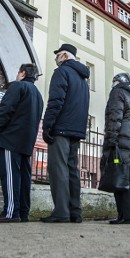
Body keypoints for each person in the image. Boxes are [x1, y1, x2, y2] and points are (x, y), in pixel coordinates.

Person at [41, 43, 90, 223]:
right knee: (71, 171)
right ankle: (74, 212)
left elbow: (56, 101)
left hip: (61, 128)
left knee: (57, 169)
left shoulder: (61, 72)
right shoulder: (83, 80)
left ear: (65, 56)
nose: (56, 58)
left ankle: (61, 212)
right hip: (76, 131)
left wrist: (47, 126)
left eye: (58, 54)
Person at [0, 63, 44, 223]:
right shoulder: (38, 95)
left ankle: (11, 213)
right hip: (27, 142)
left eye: (18, 71)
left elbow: (5, 109)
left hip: (10, 139)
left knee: (10, 176)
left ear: (23, 73)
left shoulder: (17, 87)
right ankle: (22, 213)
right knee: (23, 178)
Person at [102, 73, 130, 225]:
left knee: (120, 178)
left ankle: (126, 216)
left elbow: (115, 118)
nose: (112, 83)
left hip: (121, 141)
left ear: (118, 82)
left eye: (114, 80)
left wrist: (111, 140)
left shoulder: (117, 92)